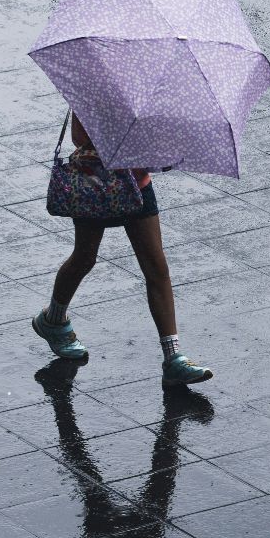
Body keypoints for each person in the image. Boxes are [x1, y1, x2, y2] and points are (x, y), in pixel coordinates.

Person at [32, 111, 213, 386]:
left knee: (156, 267)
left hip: (137, 184)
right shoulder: (94, 81)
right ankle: (53, 320)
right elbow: (79, 137)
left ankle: (173, 358)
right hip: (96, 182)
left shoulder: (149, 90)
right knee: (85, 257)